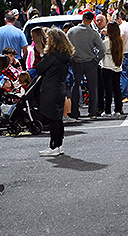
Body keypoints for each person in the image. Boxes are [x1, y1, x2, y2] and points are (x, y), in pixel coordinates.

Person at [34, 27, 73, 156]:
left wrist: (43, 56)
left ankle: (53, 146)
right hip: (60, 87)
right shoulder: (65, 55)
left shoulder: (52, 56)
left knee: (52, 118)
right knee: (57, 118)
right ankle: (59, 145)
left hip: (50, 88)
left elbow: (39, 69)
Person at [67, 11, 103, 119]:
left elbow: (66, 45)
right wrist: (97, 59)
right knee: (93, 87)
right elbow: (102, 49)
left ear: (82, 18)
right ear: (91, 20)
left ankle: (74, 112)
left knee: (75, 86)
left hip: (76, 61)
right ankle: (92, 112)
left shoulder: (71, 31)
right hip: (90, 61)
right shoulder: (93, 33)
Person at [100, 22, 124, 117]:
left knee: (108, 90)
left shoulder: (106, 42)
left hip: (107, 67)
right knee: (117, 89)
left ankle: (107, 111)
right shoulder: (120, 41)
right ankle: (118, 109)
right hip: (117, 67)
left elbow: (100, 52)